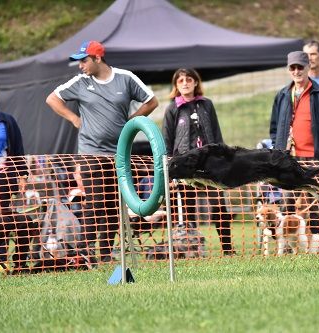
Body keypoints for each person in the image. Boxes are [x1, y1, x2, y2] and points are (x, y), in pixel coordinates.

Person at [46, 40, 159, 262]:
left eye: (84, 60)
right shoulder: (80, 82)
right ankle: (83, 252)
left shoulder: (125, 78)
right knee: (95, 203)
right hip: (90, 153)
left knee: (114, 203)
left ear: (98, 58)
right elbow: (52, 99)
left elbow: (151, 101)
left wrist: (132, 122)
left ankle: (105, 253)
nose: (81, 66)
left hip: (119, 152)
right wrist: (73, 118)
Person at [269, 51, 319, 245]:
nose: (296, 71)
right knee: (287, 201)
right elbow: (275, 128)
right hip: (289, 159)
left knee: (315, 202)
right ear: (288, 70)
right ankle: (287, 245)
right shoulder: (283, 95)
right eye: (292, 67)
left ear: (308, 67)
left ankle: (317, 242)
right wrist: (278, 152)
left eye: (300, 67)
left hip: (315, 158)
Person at [162, 68, 234, 255]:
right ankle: (192, 250)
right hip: (185, 167)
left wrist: (224, 160)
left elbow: (217, 134)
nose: (185, 83)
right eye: (181, 81)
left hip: (210, 166)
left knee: (219, 206)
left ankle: (227, 248)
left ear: (196, 83)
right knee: (187, 208)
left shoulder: (207, 105)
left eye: (189, 80)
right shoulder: (172, 109)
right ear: (176, 85)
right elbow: (166, 142)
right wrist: (170, 171)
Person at [0, 84, 31, 273]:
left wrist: (23, 174)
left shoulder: (6, 121)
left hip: (3, 177)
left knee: (6, 217)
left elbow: (17, 150)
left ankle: (15, 262)